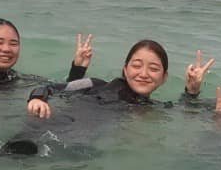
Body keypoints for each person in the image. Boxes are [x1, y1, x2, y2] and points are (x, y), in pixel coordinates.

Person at [22, 39, 171, 120]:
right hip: (54, 126)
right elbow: (52, 88)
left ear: (164, 77)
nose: (143, 74)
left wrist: (192, 91)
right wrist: (38, 99)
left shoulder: (155, 108)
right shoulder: (94, 84)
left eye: (153, 69)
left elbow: (188, 112)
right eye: (137, 65)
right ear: (125, 70)